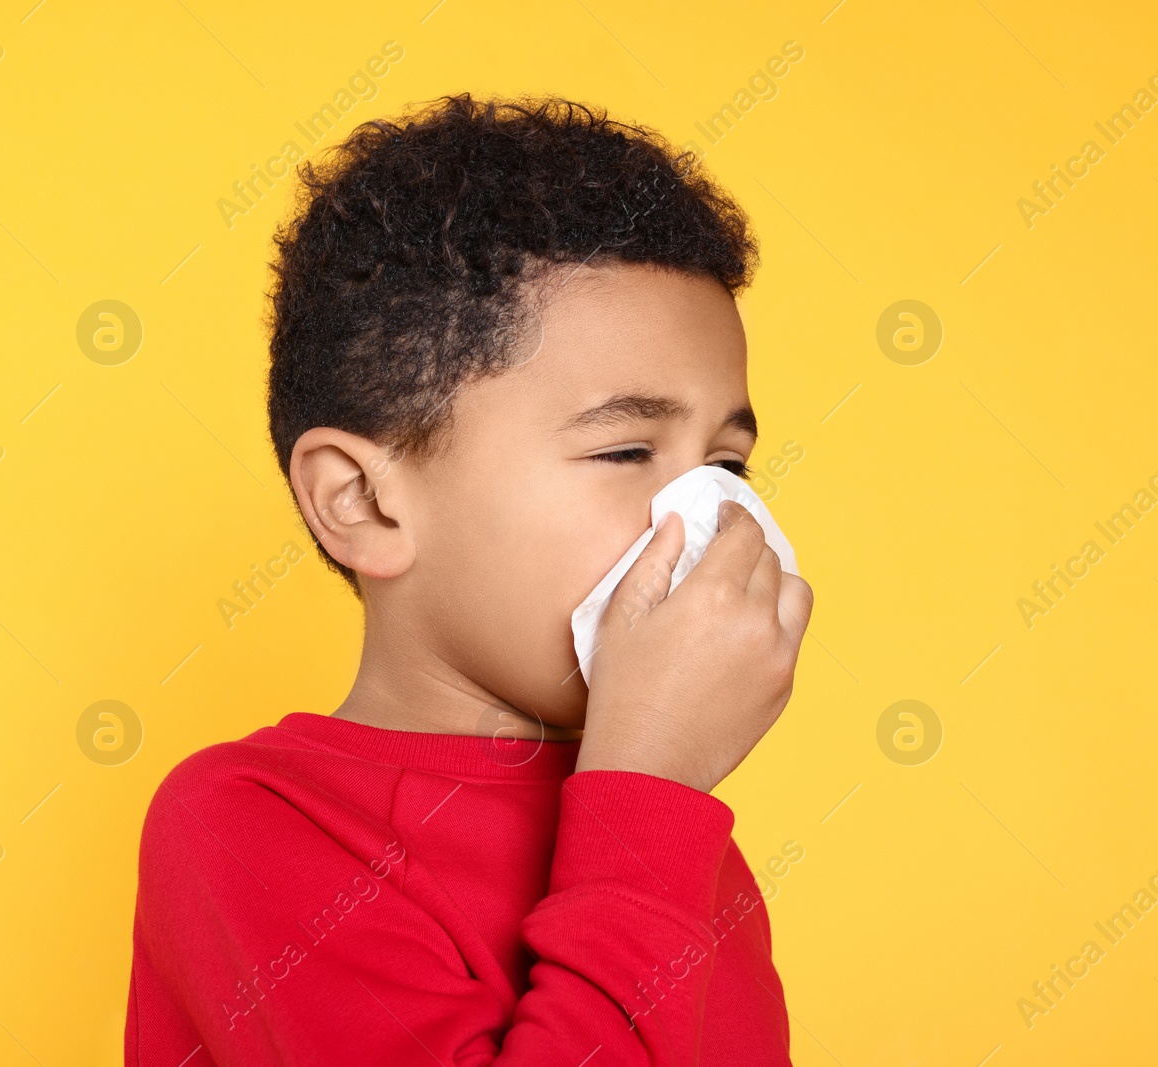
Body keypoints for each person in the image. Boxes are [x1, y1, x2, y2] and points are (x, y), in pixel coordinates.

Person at [124, 92, 814, 1066]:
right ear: (362, 502)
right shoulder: (247, 824)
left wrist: (654, 805)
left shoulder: (676, 841)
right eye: (625, 449)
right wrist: (650, 790)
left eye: (727, 466)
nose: (708, 516)